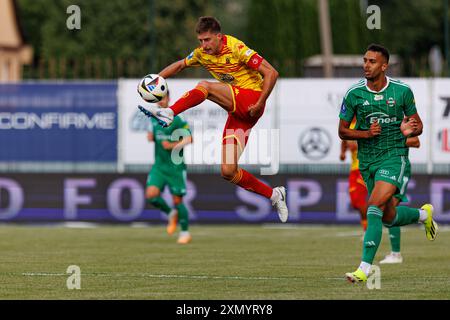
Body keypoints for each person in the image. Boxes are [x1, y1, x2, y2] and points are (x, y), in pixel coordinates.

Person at [139, 16, 288, 222]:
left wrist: (261, 102)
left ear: (219, 37)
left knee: (206, 87)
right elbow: (180, 65)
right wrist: (156, 80)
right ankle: (274, 195)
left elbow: (272, 72)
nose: (203, 45)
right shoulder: (202, 54)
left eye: (207, 40)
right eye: (200, 40)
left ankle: (170, 111)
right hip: (239, 114)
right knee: (228, 171)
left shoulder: (236, 47)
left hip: (252, 98)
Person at [338, 44, 438, 283]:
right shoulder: (354, 94)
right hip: (368, 162)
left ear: (384, 66)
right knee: (387, 217)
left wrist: (409, 129)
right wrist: (365, 134)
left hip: (394, 157)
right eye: (365, 60)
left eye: (372, 61)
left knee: (373, 205)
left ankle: (363, 269)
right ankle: (423, 216)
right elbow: (342, 131)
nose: (366, 65)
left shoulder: (402, 91)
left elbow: (418, 125)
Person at [340, 117, 421, 263]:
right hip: (373, 168)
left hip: (396, 165)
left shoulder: (399, 119)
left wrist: (388, 143)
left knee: (390, 205)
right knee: (382, 210)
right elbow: (345, 137)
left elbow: (416, 141)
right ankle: (423, 215)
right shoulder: (366, 121)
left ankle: (395, 254)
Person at [145, 91, 193, 244]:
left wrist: (172, 145)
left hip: (175, 167)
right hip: (159, 165)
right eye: (157, 99)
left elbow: (189, 139)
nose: (160, 101)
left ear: (169, 99)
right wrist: (151, 137)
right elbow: (153, 135)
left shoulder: (178, 118)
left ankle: (185, 233)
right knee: (151, 195)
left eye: (162, 98)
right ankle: (171, 214)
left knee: (177, 200)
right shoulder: (153, 117)